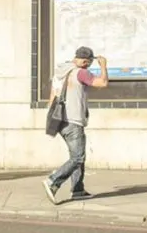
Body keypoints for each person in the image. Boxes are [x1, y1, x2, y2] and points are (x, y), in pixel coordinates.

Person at [43, 46, 108, 204]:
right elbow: (102, 83)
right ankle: (53, 181)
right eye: (90, 62)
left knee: (77, 156)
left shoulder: (61, 71)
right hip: (73, 120)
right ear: (86, 61)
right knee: (78, 158)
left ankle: (78, 190)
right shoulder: (81, 72)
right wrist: (103, 66)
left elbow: (52, 97)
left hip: (59, 120)